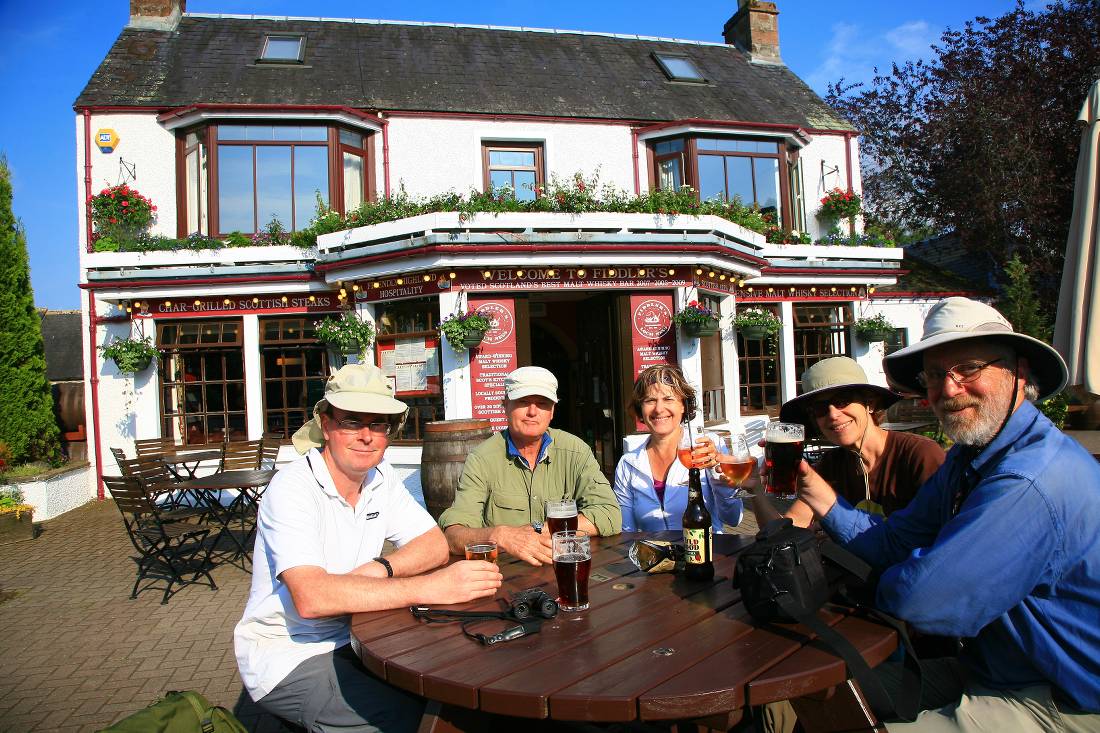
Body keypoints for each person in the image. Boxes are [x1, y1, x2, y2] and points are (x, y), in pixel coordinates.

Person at [796, 297, 1100, 731]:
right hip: (992, 666)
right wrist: (819, 495)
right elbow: (896, 540)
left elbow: (927, 600)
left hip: (1059, 694)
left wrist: (867, 582)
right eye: (936, 375)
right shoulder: (969, 459)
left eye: (970, 368)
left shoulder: (1028, 479)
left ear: (1020, 372)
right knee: (817, 693)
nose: (949, 389)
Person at [234, 364, 502, 733]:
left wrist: (381, 568)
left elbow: (434, 545)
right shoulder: (292, 488)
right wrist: (431, 587)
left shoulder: (380, 477)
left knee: (466, 688)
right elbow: (312, 598)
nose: (366, 436)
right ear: (326, 424)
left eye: (379, 424)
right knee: (406, 722)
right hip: (291, 653)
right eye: (352, 421)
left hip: (364, 635)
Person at [439, 366, 622, 565]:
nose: (532, 412)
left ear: (552, 411)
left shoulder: (575, 451)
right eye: (523, 402)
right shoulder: (482, 458)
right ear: (505, 406)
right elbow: (453, 535)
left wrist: (544, 530)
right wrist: (499, 535)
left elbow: (610, 514)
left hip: (563, 568)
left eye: (542, 403)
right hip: (506, 576)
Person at [753, 356, 944, 527]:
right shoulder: (830, 465)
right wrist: (754, 489)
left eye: (842, 401)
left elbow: (942, 536)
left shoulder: (920, 455)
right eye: (820, 409)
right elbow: (787, 531)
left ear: (870, 403)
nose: (833, 414)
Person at [613, 364, 743, 532]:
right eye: (650, 400)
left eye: (668, 399)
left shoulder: (706, 448)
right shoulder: (628, 464)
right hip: (655, 557)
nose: (659, 409)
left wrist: (717, 473)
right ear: (640, 409)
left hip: (705, 554)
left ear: (683, 405)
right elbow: (626, 530)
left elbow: (733, 518)